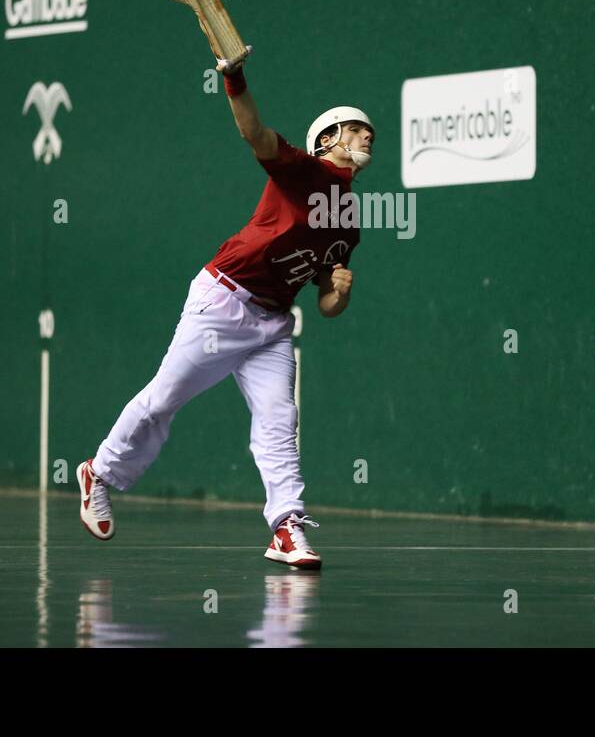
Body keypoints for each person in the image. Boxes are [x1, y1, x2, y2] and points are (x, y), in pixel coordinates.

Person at [76, 53, 374, 570]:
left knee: (280, 418)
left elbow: (325, 303)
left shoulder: (349, 222)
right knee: (164, 398)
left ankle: (286, 527)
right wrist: (233, 76)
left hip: (274, 325)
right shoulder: (302, 171)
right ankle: (99, 473)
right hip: (224, 299)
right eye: (356, 128)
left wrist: (340, 293)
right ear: (327, 140)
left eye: (370, 131)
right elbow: (254, 132)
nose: (368, 136)